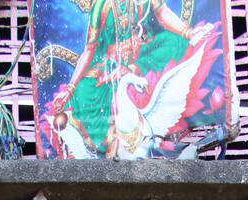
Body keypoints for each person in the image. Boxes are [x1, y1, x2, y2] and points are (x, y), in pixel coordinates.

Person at [50, 0, 215, 156]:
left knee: (173, 41)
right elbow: (89, 50)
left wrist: (189, 32)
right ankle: (107, 142)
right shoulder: (102, 5)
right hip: (109, 64)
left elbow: (162, 12)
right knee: (83, 90)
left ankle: (131, 70)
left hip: (139, 57)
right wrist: (70, 88)